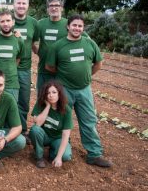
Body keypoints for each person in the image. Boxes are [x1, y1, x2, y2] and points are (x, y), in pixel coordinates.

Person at [46, 14, 112, 168]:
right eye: (74, 25)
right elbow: (50, 66)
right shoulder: (58, 46)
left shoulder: (90, 44)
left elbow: (98, 63)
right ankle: (60, 149)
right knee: (62, 121)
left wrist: (86, 77)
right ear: (68, 26)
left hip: (84, 90)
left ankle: (94, 154)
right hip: (64, 90)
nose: (77, 28)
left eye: (80, 26)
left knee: (89, 121)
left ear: (83, 28)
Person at [29, 80, 73, 168]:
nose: (51, 95)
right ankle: (39, 157)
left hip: (58, 138)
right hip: (44, 136)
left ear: (59, 94)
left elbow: (65, 134)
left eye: (54, 92)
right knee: (35, 130)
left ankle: (53, 152)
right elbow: (38, 123)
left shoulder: (66, 110)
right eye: (48, 92)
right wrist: (48, 106)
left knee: (66, 156)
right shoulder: (41, 104)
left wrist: (59, 157)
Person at [13, 0, 38, 140]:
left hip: (24, 68)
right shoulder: (6, 20)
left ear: (28, 6)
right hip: (8, 68)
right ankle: (6, 128)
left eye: (24, 3)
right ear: (14, 5)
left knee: (23, 100)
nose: (21, 6)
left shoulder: (34, 23)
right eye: (18, 3)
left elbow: (34, 44)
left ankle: (22, 130)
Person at [32, 0, 67, 95]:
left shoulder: (68, 24)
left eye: (57, 5)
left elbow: (84, 39)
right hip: (44, 70)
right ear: (47, 9)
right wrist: (40, 53)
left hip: (61, 71)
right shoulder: (41, 24)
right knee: (42, 97)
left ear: (62, 8)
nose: (54, 8)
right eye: (51, 6)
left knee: (60, 100)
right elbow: (33, 42)